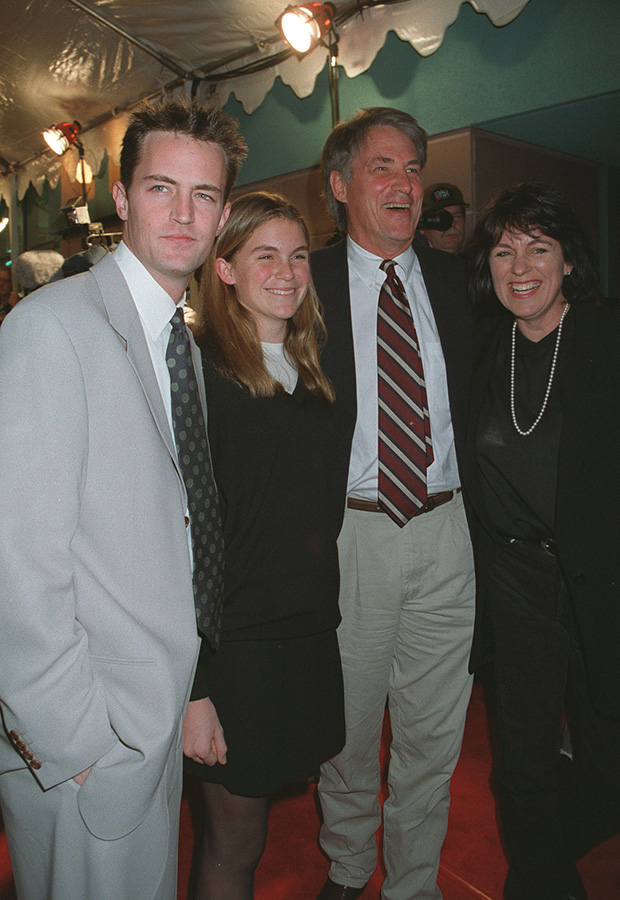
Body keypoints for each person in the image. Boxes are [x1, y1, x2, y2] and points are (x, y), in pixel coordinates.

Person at [0, 98, 245, 900]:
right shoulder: (50, 330)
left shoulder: (179, 334)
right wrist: (78, 744)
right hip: (85, 747)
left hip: (149, 722)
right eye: (159, 188)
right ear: (120, 197)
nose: (183, 213)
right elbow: (15, 570)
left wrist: (177, 699)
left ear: (224, 213)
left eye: (203, 195)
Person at [311, 107, 476, 900]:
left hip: (448, 529)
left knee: (434, 734)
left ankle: (414, 885)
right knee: (345, 729)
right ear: (340, 185)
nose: (405, 182)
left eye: (413, 167)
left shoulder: (461, 281)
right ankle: (347, 868)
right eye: (383, 167)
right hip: (352, 534)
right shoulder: (299, 285)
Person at [183, 191, 345, 900]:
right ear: (224, 270)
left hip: (305, 636)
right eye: (265, 255)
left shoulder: (312, 372)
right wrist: (196, 688)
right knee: (233, 843)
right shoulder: (199, 373)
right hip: (233, 651)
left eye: (299, 255)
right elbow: (177, 539)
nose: (287, 271)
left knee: (262, 835)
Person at [465, 181, 620, 900]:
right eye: (503, 250)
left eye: (538, 247)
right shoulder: (480, 353)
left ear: (568, 263)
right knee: (522, 754)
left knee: (606, 748)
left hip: (602, 576)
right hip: (516, 581)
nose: (519, 265)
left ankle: (559, 848)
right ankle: (543, 882)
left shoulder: (605, 339)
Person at [417, 182, 469, 255]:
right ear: (423, 226)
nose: (451, 224)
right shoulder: (411, 265)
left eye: (457, 216)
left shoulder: (478, 264)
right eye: (442, 218)